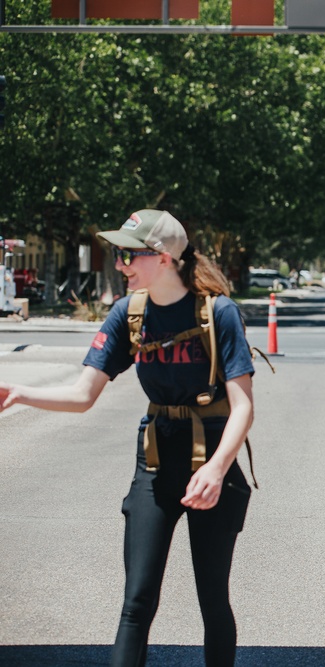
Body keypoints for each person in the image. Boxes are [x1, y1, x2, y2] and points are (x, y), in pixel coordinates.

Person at [0, 209, 255, 667]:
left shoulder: (219, 312)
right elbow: (83, 395)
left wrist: (217, 470)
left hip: (212, 465)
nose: (121, 265)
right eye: (119, 255)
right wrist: (19, 393)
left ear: (164, 258)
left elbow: (243, 406)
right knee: (136, 602)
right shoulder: (127, 313)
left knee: (212, 599)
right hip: (155, 464)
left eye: (129, 255)